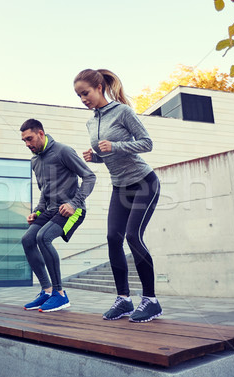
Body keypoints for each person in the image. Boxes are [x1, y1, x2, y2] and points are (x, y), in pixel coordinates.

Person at [73, 69, 162, 323]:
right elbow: (110, 156)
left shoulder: (123, 112)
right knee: (113, 237)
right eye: (79, 95)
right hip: (119, 186)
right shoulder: (91, 122)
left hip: (144, 182)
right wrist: (97, 157)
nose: (83, 99)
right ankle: (123, 299)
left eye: (85, 93)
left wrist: (115, 146)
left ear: (99, 87)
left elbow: (146, 143)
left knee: (133, 236)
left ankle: (151, 300)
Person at [20, 118, 96, 312]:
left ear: (41, 134)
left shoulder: (63, 151)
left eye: (30, 139)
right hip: (50, 210)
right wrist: (37, 211)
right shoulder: (35, 161)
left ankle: (60, 295)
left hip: (73, 209)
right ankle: (46, 291)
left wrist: (73, 203)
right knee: (28, 239)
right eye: (24, 141)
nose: (28, 144)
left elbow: (89, 177)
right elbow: (44, 192)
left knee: (43, 238)